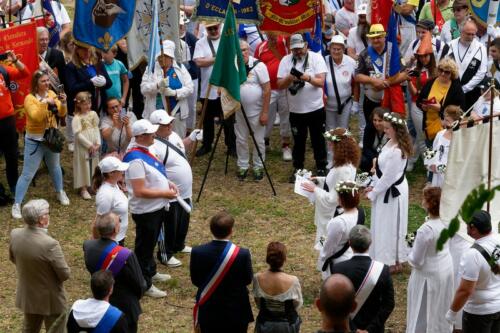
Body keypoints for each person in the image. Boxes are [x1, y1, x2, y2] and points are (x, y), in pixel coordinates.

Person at [123, 119, 178, 298]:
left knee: (151, 242)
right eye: (150, 133)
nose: (154, 135)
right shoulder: (135, 160)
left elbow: (155, 173)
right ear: (140, 136)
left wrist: (167, 183)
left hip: (156, 207)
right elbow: (139, 191)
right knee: (144, 249)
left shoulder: (147, 150)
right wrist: (165, 193)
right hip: (147, 211)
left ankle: (151, 271)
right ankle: (144, 283)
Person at [12, 70, 69, 219]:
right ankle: (17, 204)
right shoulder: (30, 99)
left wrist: (63, 102)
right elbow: (36, 117)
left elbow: (62, 113)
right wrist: (45, 103)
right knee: (27, 173)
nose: (47, 83)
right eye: (43, 81)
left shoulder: (51, 93)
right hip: (34, 141)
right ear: (36, 83)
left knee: (55, 167)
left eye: (47, 80)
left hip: (51, 138)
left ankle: (60, 192)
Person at [9, 199, 71, 333]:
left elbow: (13, 258)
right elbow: (64, 274)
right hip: (51, 299)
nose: (49, 216)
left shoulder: (15, 234)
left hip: (29, 296)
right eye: (48, 213)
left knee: (29, 329)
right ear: (42, 219)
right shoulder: (50, 244)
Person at [149, 110, 201, 267]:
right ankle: (165, 254)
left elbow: (180, 147)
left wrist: (191, 138)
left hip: (185, 191)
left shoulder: (173, 135)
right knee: (168, 224)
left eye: (170, 122)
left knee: (183, 220)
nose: (170, 125)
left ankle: (179, 244)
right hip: (170, 194)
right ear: (156, 127)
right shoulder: (154, 146)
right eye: (166, 124)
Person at [190, 211, 254, 332]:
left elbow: (196, 280)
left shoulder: (197, 252)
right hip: (236, 310)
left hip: (209, 310)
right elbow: (247, 279)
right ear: (231, 231)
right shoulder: (243, 254)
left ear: (211, 230)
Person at [277, 33, 328, 181]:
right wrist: (289, 78)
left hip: (315, 108)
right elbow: (280, 85)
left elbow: (321, 82)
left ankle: (321, 166)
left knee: (318, 139)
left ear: (306, 45)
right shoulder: (286, 61)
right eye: (294, 49)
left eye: (300, 48)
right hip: (296, 110)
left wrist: (307, 78)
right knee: (298, 140)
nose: (298, 52)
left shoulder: (316, 58)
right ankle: (298, 167)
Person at [83, 213, 146, 332]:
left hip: (99, 301)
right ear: (116, 229)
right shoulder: (125, 255)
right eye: (119, 221)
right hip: (124, 308)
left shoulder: (88, 246)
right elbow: (140, 285)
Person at [366, 112, 413, 272]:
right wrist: (372, 184)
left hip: (392, 192)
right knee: (383, 222)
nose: (384, 130)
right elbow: (381, 171)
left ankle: (392, 260)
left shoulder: (397, 151)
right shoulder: (389, 143)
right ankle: (382, 255)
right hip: (383, 187)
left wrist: (373, 193)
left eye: (387, 128)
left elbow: (388, 178)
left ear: (396, 129)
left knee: (391, 224)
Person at [302, 128, 359, 252]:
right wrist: (319, 180)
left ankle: (327, 263)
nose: (329, 145)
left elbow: (334, 199)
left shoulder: (343, 169)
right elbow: (334, 182)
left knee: (328, 243)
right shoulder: (344, 162)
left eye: (331, 143)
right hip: (336, 212)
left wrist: (315, 190)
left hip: (335, 214)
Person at [406, 187, 454, 333]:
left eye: (424, 199)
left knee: (424, 307)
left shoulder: (425, 230)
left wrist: (408, 247)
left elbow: (417, 260)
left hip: (428, 274)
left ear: (428, 204)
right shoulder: (448, 221)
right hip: (445, 266)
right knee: (441, 304)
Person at [331, 225, 394, 332]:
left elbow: (335, 304)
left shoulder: (338, 269)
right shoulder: (383, 270)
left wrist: (353, 329)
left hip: (345, 328)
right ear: (370, 243)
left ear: (349, 243)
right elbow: (388, 304)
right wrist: (370, 329)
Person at [446, 210, 500, 332]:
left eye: (467, 225)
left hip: (479, 314)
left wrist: (452, 312)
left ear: (474, 229)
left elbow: (465, 290)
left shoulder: (472, 255)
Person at [355, 24, 407, 143]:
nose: (376, 40)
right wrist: (373, 81)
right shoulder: (364, 54)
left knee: (390, 129)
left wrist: (386, 83)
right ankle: (370, 155)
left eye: (379, 37)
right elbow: (357, 75)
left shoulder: (393, 52)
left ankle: (389, 152)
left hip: (389, 101)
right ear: (369, 39)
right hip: (371, 101)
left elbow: (404, 74)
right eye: (373, 38)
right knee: (371, 128)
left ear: (384, 37)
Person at [194, 22, 236, 157]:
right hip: (208, 88)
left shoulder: (227, 40)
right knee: (207, 120)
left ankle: (231, 146)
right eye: (210, 29)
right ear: (206, 29)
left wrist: (211, 60)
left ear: (219, 27)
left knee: (228, 119)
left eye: (215, 28)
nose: (213, 31)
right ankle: (207, 145)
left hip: (225, 88)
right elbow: (198, 62)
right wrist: (216, 59)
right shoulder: (200, 43)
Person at [141, 39, 194, 137]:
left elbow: (190, 88)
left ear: (171, 58)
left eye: (165, 56)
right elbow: (143, 89)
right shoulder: (151, 69)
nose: (162, 59)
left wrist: (174, 93)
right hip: (156, 114)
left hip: (177, 112)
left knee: (177, 139)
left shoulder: (180, 67)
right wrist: (157, 85)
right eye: (160, 56)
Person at [254, 32, 292, 161]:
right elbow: (256, 67)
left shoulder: (286, 42)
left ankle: (286, 145)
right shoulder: (260, 47)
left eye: (273, 31)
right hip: (268, 88)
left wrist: (275, 48)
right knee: (266, 116)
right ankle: (265, 141)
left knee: (285, 116)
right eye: (268, 31)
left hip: (284, 87)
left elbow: (288, 63)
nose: (271, 34)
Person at [65, 44, 112, 151]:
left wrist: (104, 82)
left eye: (88, 49)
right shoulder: (71, 67)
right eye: (83, 50)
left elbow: (109, 83)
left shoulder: (98, 63)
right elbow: (71, 88)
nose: (87, 53)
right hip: (83, 109)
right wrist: (90, 82)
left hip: (100, 105)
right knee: (86, 140)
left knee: (98, 137)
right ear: (77, 50)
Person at [236, 39, 271, 181]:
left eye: (244, 50)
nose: (242, 53)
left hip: (256, 112)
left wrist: (265, 112)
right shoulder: (233, 66)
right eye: (239, 50)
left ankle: (258, 165)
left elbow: (267, 90)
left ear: (249, 50)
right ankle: (243, 165)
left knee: (258, 140)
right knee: (241, 139)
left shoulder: (259, 66)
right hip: (238, 111)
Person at [318, 180, 365, 279]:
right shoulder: (360, 211)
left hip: (338, 262)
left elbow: (328, 249)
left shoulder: (338, 222)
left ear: (341, 200)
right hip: (352, 254)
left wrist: (322, 255)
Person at [253, 242, 303, 333]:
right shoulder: (293, 280)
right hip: (288, 325)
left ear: (268, 258)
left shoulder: (257, 278)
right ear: (284, 259)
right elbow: (298, 304)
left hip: (265, 325)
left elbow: (258, 303)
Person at [416, 58, 465, 145]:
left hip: (445, 128)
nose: (443, 73)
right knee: (430, 153)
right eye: (441, 70)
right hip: (429, 126)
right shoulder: (430, 82)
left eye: (447, 72)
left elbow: (459, 112)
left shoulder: (456, 88)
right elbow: (419, 100)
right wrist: (422, 106)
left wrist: (440, 109)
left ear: (452, 74)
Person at [407, 31, 438, 166]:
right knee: (421, 136)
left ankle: (414, 160)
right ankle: (426, 163)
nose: (424, 59)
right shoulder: (415, 70)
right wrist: (408, 80)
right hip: (417, 106)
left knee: (432, 135)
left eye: (426, 56)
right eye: (421, 56)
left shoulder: (437, 71)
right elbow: (414, 93)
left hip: (433, 107)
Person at [0, 49, 28, 196]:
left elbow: (25, 73)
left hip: (8, 120)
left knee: (11, 155)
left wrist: (15, 61)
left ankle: (14, 185)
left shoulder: (3, 69)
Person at [447, 20, 488, 111]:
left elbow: (481, 72)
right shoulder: (450, 45)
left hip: (471, 93)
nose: (471, 37)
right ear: (461, 32)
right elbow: (442, 66)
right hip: (450, 91)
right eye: (468, 34)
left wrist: (465, 88)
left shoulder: (481, 48)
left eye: (473, 34)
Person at [324, 35, 359, 131]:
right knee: (330, 130)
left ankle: (343, 146)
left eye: (339, 49)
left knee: (343, 130)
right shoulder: (323, 61)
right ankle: (330, 147)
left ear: (343, 49)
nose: (336, 51)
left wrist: (355, 102)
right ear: (329, 48)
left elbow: (356, 83)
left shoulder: (351, 62)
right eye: (333, 49)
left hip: (345, 104)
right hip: (328, 105)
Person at [92, 157, 130, 244]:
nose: (123, 172)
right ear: (111, 173)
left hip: (118, 237)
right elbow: (98, 222)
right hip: (111, 242)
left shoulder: (114, 185)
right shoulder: (105, 194)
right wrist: (96, 245)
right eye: (120, 170)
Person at [72, 91, 101, 200]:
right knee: (83, 164)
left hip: (94, 143)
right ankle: (83, 188)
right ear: (78, 104)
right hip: (83, 145)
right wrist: (89, 145)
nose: (88, 106)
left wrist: (97, 142)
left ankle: (93, 185)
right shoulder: (77, 118)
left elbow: (96, 127)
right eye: (85, 104)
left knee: (94, 163)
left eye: (89, 103)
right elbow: (78, 135)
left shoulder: (93, 114)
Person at [424, 105, 462, 187]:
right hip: (436, 177)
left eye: (447, 120)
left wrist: (438, 168)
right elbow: (431, 151)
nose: (443, 123)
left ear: (456, 122)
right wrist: (430, 164)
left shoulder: (459, 139)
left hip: (449, 180)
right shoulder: (440, 134)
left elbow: (456, 165)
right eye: (444, 119)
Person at [360, 107, 388, 172]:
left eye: (380, 120)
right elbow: (366, 148)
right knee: (363, 160)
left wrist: (381, 159)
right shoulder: (369, 128)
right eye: (374, 120)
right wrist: (375, 158)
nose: (376, 123)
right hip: (373, 155)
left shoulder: (390, 130)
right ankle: (368, 174)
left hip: (386, 156)